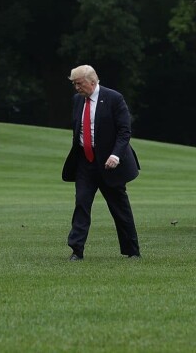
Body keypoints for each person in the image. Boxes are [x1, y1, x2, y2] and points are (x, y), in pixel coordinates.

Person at [62, 65, 141, 260]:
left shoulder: (114, 98)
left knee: (119, 207)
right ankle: (76, 251)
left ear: (92, 82)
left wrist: (116, 155)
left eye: (79, 84)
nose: (76, 88)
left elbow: (124, 131)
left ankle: (132, 251)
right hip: (85, 162)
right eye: (74, 84)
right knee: (81, 203)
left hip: (109, 163)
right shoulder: (77, 100)